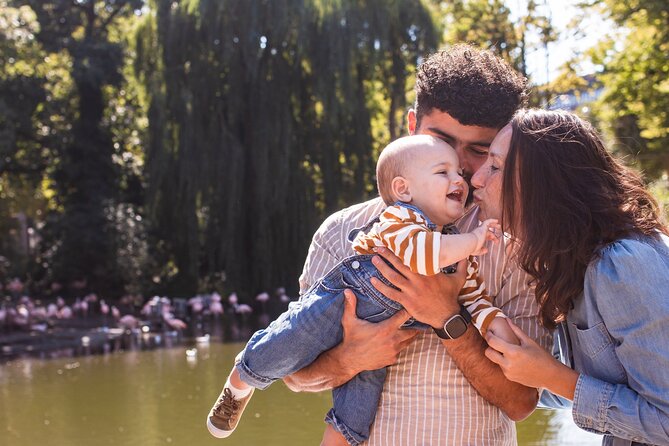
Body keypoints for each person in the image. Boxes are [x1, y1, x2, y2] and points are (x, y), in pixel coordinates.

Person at [286, 44, 552, 445]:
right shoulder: (340, 232)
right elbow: (294, 373)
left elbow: (522, 402)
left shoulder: (518, 245)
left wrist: (448, 318)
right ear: (412, 124)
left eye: (478, 150)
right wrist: (353, 356)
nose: (457, 165)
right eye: (439, 140)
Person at [206, 135, 513, 445]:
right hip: (340, 304)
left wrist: (495, 322)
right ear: (403, 190)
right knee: (294, 337)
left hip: (387, 331)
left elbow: (473, 297)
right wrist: (473, 241)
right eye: (442, 172)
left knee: (358, 409)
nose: (458, 178)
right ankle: (241, 379)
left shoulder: (455, 242)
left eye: (459, 172)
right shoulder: (399, 218)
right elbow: (423, 252)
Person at [474, 109, 669, 446]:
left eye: (494, 166)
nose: (476, 178)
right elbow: (598, 384)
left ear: (542, 185)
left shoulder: (623, 265)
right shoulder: (573, 260)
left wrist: (552, 376)